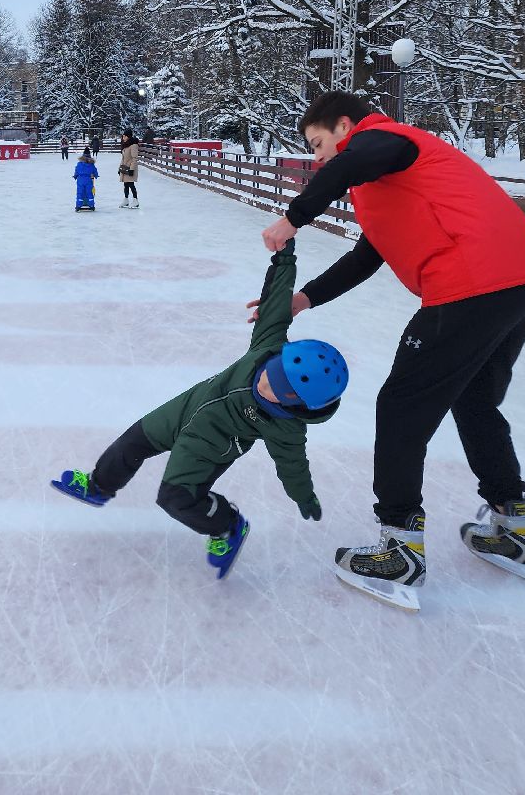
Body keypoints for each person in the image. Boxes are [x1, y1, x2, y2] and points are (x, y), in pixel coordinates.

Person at [260, 91, 525, 610]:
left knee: (400, 405)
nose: (319, 159)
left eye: (320, 144)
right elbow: (368, 255)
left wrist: (293, 218)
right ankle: (514, 526)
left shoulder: (383, 142)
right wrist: (303, 299)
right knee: (476, 401)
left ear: (346, 126)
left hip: (471, 283)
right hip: (520, 282)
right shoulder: (386, 181)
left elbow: (358, 159)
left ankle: (399, 548)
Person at [53, 242, 345, 580]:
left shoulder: (287, 428)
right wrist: (284, 256)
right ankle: (98, 487)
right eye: (272, 370)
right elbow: (278, 298)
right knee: (130, 443)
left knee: (175, 499)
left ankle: (228, 525)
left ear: (297, 405)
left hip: (212, 445)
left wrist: (304, 496)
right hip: (187, 408)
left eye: (277, 389)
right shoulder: (268, 347)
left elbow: (293, 465)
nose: (264, 380)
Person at [118, 130, 141, 208]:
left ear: (128, 136)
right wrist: (120, 168)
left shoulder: (133, 145)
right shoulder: (126, 145)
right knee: (126, 184)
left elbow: (134, 158)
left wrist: (132, 169)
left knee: (131, 184)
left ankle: (135, 200)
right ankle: (126, 200)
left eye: (124, 136)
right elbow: (123, 158)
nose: (123, 138)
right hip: (125, 168)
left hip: (130, 168)